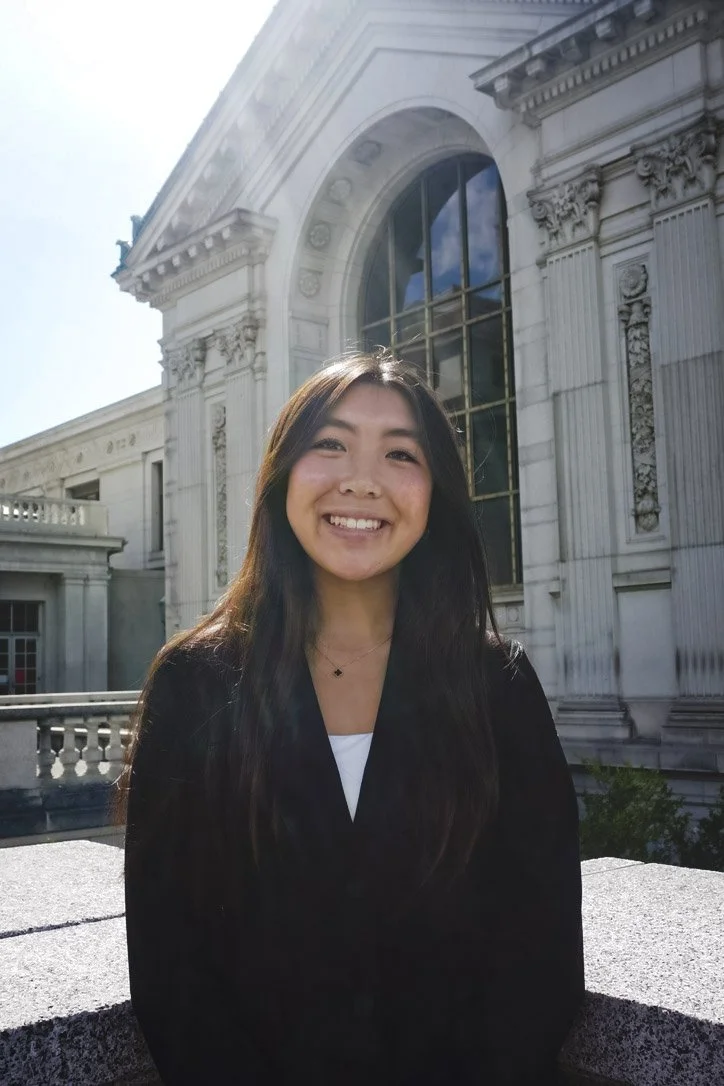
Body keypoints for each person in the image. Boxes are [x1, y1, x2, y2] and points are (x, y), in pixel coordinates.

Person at [119, 350, 584, 1085]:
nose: (362, 480)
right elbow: (169, 955)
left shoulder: (496, 685)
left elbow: (541, 942)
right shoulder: (195, 684)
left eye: (400, 454)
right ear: (282, 477)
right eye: (330, 444)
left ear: (435, 494)